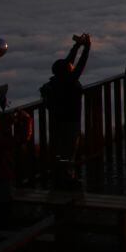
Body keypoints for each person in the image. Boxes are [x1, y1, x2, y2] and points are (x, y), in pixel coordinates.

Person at [40, 33, 91, 186]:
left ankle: (59, 177)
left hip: (56, 121)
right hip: (70, 121)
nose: (72, 65)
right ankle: (67, 179)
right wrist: (87, 47)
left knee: (58, 149)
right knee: (69, 151)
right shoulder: (70, 81)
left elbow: (69, 61)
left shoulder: (56, 81)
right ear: (68, 70)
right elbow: (81, 63)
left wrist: (77, 46)